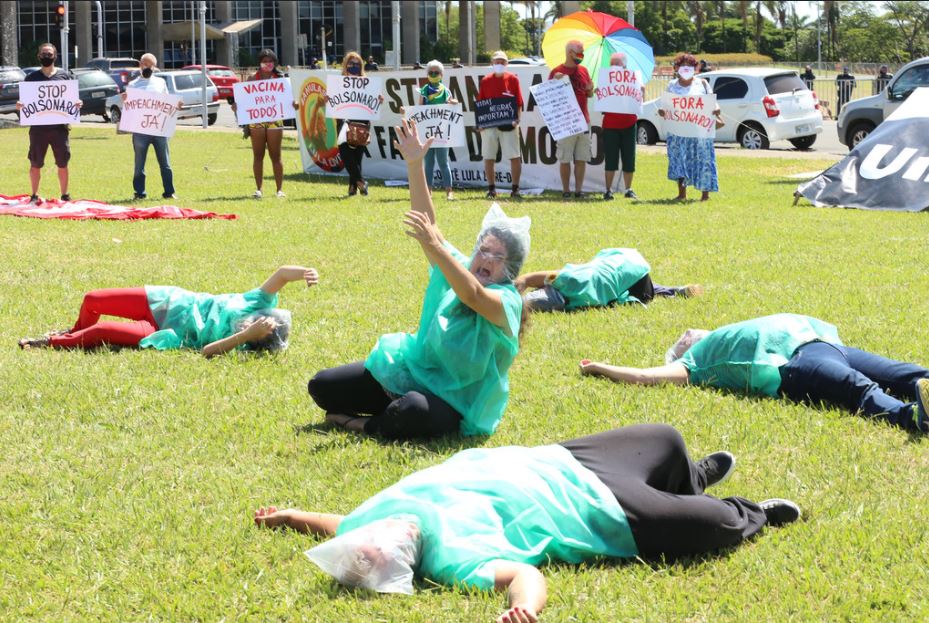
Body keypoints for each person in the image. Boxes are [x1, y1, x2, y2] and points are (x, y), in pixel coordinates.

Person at [254, 423, 801, 622]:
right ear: (400, 563)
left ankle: (692, 477)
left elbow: (335, 523)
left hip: (567, 458)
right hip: (604, 513)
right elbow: (525, 575)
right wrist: (523, 607)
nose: (375, 544)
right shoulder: (451, 562)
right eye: (377, 560)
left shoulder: (374, 517)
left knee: (666, 438)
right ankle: (751, 512)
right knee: (709, 527)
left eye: (363, 547)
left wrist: (289, 516)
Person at [307, 119, 529, 439]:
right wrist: (414, 163)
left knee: (411, 411)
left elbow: (474, 297)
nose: (485, 261)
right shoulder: (460, 267)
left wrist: (436, 246)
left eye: (498, 258)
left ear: (511, 269)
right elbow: (429, 226)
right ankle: (389, 410)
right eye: (483, 250)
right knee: (323, 387)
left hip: (454, 400)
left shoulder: (507, 301)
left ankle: (362, 423)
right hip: (414, 372)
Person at [579, 313, 929, 433]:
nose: (687, 336)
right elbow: (644, 376)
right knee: (860, 390)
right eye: (682, 341)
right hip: (793, 367)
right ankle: (913, 417)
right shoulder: (695, 363)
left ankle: (921, 392)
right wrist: (599, 367)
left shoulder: (728, 330)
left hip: (820, 342)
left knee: (902, 373)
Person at [18, 265, 319, 356]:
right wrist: (305, 271)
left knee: (99, 333)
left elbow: (207, 352)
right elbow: (281, 274)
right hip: (167, 300)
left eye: (256, 331)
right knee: (93, 299)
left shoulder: (242, 345)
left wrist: (245, 337)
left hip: (165, 332)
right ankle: (70, 332)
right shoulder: (258, 302)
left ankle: (49, 341)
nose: (249, 325)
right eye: (255, 323)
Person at [516, 248, 702, 312]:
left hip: (633, 272)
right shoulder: (567, 279)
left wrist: (523, 283)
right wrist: (523, 281)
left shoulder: (574, 288)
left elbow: (535, 283)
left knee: (625, 293)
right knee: (621, 285)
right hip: (626, 260)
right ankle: (674, 290)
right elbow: (536, 278)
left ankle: (671, 291)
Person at [16, 43, 82, 204]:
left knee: (63, 162)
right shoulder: (31, 79)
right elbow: (25, 104)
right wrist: (20, 106)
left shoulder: (64, 77)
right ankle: (34, 194)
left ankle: (65, 194)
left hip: (59, 129)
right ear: (39, 56)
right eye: (44, 54)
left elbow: (72, 100)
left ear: (55, 55)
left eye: (49, 53)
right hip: (38, 130)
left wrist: (77, 103)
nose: (47, 56)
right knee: (35, 163)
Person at [657, 53, 721, 202]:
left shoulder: (703, 84)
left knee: (704, 160)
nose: (686, 69)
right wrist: (662, 111)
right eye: (683, 65)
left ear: (695, 68)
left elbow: (712, 102)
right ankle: (682, 193)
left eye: (689, 66)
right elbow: (665, 105)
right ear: (677, 68)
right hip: (678, 132)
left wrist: (716, 109)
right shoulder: (672, 85)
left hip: (700, 131)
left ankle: (705, 195)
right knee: (679, 160)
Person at [231, 49, 290, 199]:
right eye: (264, 61)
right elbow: (243, 101)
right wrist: (237, 106)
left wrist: (293, 104)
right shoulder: (251, 79)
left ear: (275, 62)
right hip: (256, 121)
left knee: (276, 156)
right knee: (258, 155)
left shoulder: (281, 78)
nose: (268, 64)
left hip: (274, 121)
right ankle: (259, 189)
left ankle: (279, 190)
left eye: (270, 61)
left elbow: (289, 100)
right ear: (259, 62)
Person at [123, 53, 178, 200]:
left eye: (149, 65)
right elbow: (129, 108)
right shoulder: (133, 84)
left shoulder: (160, 83)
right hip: (140, 131)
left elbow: (167, 102)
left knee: (165, 163)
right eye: (144, 64)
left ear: (154, 67)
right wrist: (125, 100)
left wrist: (176, 105)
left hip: (159, 129)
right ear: (140, 65)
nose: (146, 67)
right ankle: (140, 193)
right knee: (139, 164)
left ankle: (169, 192)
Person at [331, 51, 384, 197]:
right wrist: (327, 99)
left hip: (362, 121)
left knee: (356, 156)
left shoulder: (366, 82)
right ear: (345, 65)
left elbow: (373, 102)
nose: (354, 66)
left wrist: (379, 100)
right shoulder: (339, 82)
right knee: (345, 153)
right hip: (343, 122)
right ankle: (361, 182)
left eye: (357, 64)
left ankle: (352, 188)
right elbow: (333, 102)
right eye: (351, 63)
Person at [548, 40, 595, 199]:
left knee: (581, 158)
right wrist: (555, 81)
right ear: (570, 53)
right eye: (579, 53)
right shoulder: (556, 71)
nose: (581, 56)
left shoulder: (584, 70)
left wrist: (590, 90)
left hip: (583, 120)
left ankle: (579, 190)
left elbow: (589, 94)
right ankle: (566, 190)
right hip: (565, 122)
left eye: (583, 53)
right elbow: (548, 97)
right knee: (565, 158)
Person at [477, 51, 524, 199]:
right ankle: (491, 189)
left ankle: (515, 189)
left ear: (506, 64)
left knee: (515, 156)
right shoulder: (485, 80)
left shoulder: (513, 79)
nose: (499, 64)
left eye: (502, 62)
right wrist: (480, 123)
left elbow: (519, 103)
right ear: (492, 63)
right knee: (489, 156)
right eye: (497, 61)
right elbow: (481, 104)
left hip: (509, 124)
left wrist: (518, 119)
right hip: (489, 125)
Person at [601, 52, 644, 200]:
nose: (614, 67)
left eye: (617, 64)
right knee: (610, 159)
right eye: (612, 64)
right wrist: (598, 92)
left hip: (629, 124)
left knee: (629, 159)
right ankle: (608, 190)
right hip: (610, 125)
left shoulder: (633, 79)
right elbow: (602, 103)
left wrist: (641, 90)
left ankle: (628, 189)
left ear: (624, 65)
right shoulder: (606, 79)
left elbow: (638, 98)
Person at [418, 60, 459, 201]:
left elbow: (451, 104)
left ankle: (449, 191)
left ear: (441, 74)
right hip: (427, 133)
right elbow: (419, 109)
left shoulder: (445, 90)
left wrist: (453, 102)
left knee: (443, 162)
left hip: (442, 132)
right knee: (428, 163)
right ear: (427, 74)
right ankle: (428, 191)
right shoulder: (423, 91)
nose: (434, 74)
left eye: (436, 72)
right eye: (431, 72)